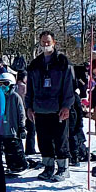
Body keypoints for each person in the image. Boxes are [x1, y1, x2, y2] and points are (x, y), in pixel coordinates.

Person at [25, 31, 73, 182]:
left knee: (60, 139)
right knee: (44, 140)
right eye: (43, 42)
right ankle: (48, 167)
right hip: (39, 108)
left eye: (48, 42)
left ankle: (63, 168)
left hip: (58, 109)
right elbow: (30, 88)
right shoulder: (35, 64)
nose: (46, 45)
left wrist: (66, 106)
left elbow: (69, 86)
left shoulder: (62, 62)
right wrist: (29, 107)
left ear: (54, 43)